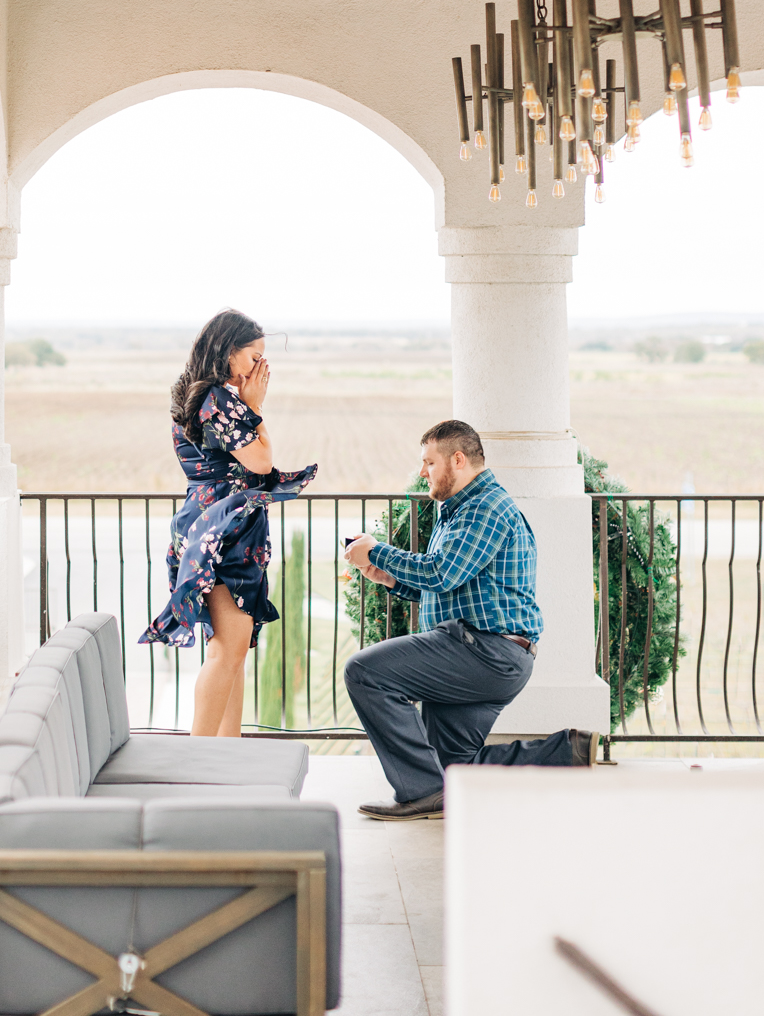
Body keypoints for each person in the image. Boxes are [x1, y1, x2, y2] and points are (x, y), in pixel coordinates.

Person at [343, 418, 597, 820]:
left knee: (363, 671)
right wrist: (388, 578)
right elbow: (447, 587)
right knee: (453, 772)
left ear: (457, 460)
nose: (422, 471)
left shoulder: (485, 507)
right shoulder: (460, 509)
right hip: (486, 651)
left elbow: (442, 572)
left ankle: (422, 791)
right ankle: (565, 752)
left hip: (486, 652)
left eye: (429, 462)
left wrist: (376, 551)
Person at [140, 309, 317, 738]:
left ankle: (226, 752)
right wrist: (255, 408)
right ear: (227, 352)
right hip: (223, 531)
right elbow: (260, 461)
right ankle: (200, 759)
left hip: (213, 523)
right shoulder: (219, 399)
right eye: (254, 356)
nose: (261, 367)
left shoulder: (198, 394)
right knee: (226, 650)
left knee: (232, 649)